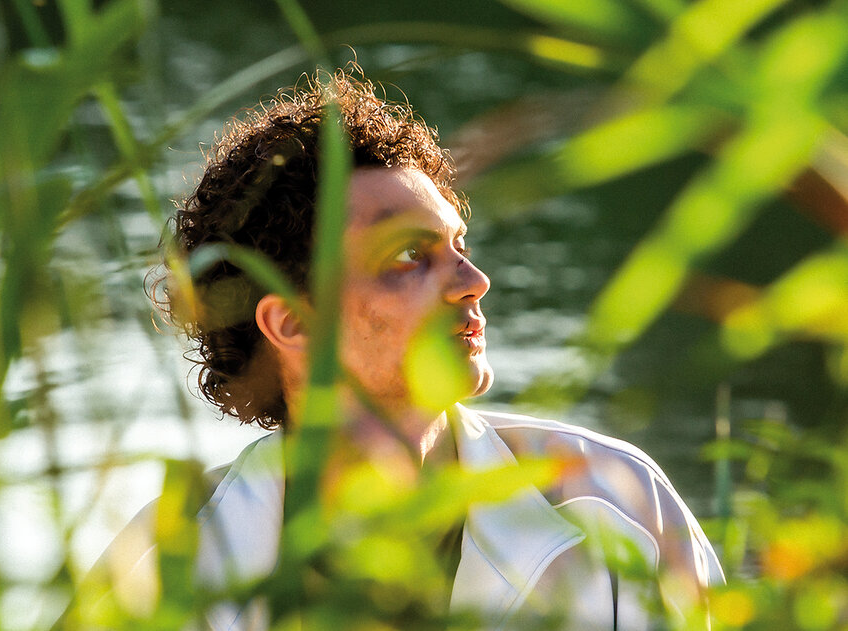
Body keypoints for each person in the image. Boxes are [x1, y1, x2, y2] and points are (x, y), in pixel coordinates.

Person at [108, 66, 723, 630]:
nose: (474, 282)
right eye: (408, 255)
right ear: (291, 323)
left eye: (459, 247)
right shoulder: (160, 570)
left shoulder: (617, 502)